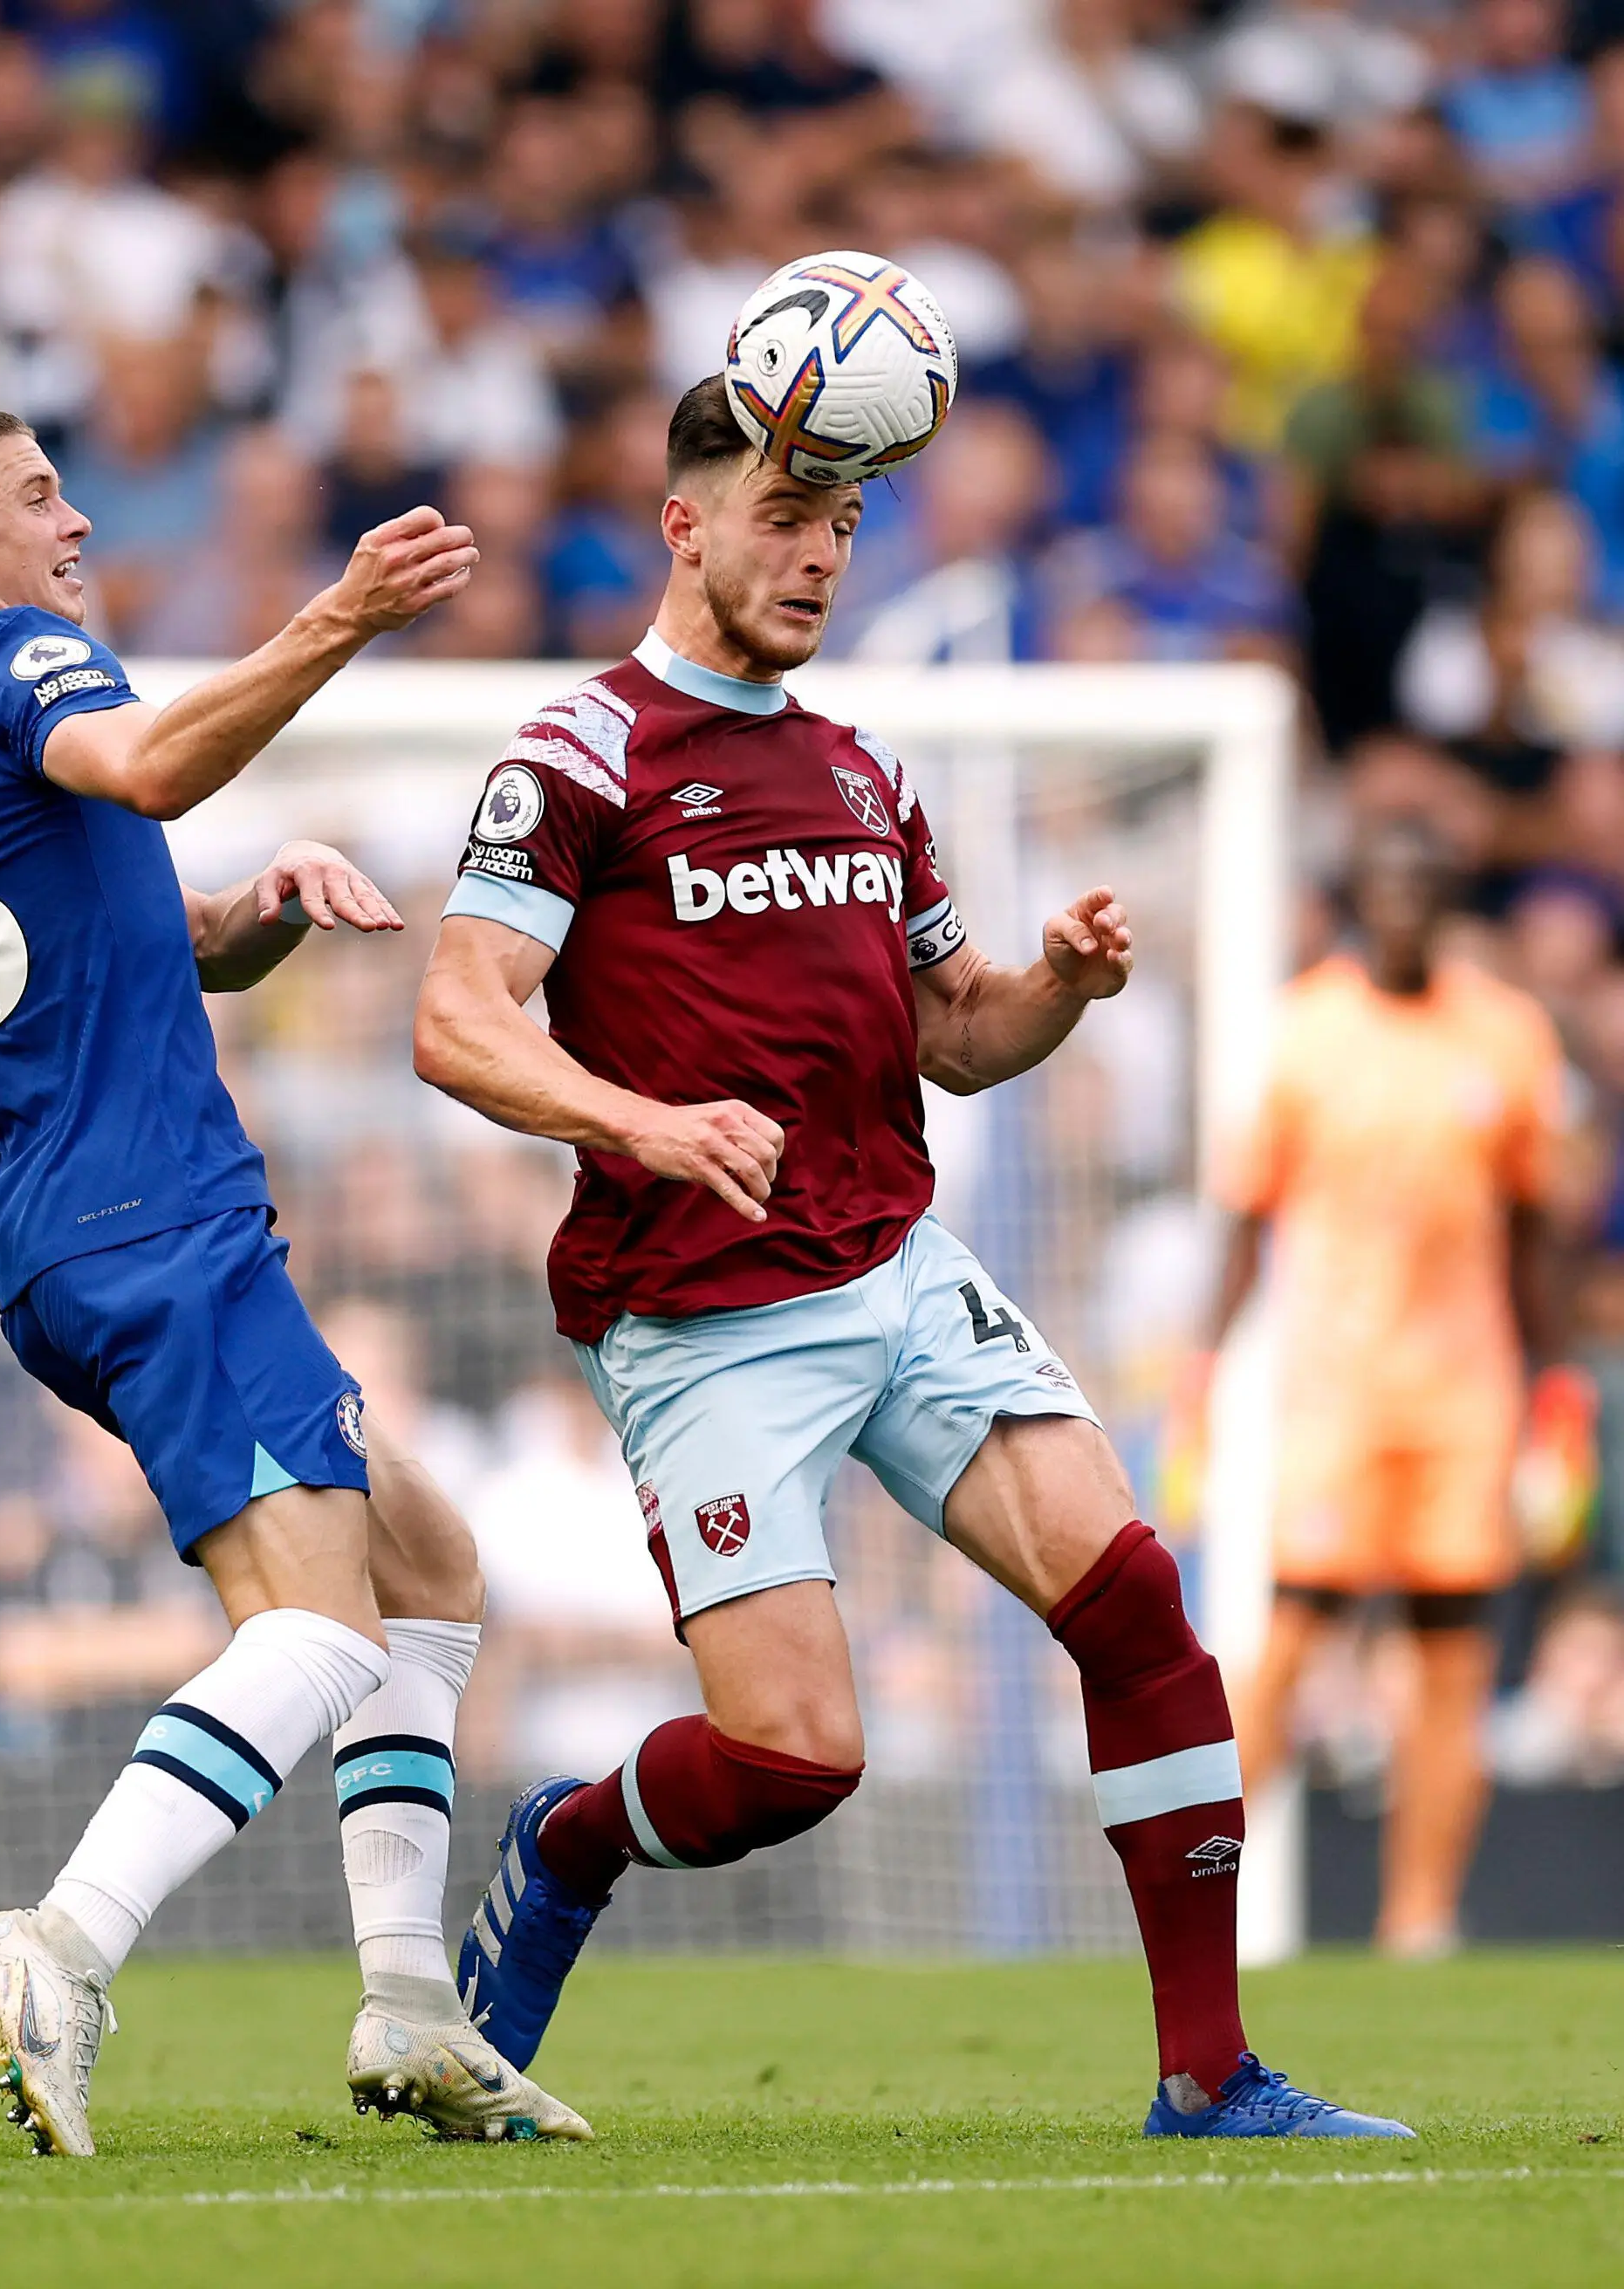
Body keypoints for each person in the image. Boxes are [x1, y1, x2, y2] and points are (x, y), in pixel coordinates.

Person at [413, 372, 1413, 2141]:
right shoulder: (582, 756)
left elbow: (960, 1029)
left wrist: (1061, 988)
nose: (816, 558)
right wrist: (644, 1124)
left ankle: (1209, 2074)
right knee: (794, 1761)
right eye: (785, 520)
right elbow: (455, 1023)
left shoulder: (865, 768)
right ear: (686, 524)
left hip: (894, 1265)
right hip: (703, 1311)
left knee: (1140, 1610)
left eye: (843, 526)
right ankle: (566, 1841)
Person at [0, 383, 586, 2155]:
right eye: (41, 496)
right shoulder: (23, 666)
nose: (77, 527)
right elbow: (150, 766)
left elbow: (117, 925)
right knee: (311, 1628)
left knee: (427, 1563)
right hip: (156, 1220)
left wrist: (254, 911)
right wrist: (341, 619)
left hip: (82, 1221)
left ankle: (406, 2007)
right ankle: (62, 1944)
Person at [1205, 816, 1569, 1957]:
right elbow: (1243, 1220)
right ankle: (1195, 1892)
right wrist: (1202, 1368)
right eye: (1385, 878)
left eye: (1423, 877)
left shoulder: (1504, 1034)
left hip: (1464, 1395)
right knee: (1291, 1638)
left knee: (1450, 1653)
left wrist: (1554, 1388)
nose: (1403, 896)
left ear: (1446, 892)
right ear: (1359, 894)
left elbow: (1530, 1228)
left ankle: (1418, 1916)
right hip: (1336, 1392)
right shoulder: (1305, 1031)